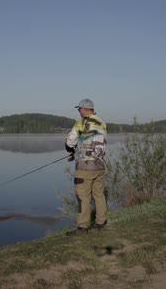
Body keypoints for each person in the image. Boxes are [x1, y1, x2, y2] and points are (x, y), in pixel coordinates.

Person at [64, 98, 108, 236]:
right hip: (100, 165)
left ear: (83, 109)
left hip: (85, 167)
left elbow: (70, 141)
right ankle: (101, 223)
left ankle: (82, 227)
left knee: (83, 196)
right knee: (99, 195)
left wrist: (70, 149)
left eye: (79, 109)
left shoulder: (82, 122)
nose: (79, 112)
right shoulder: (102, 123)